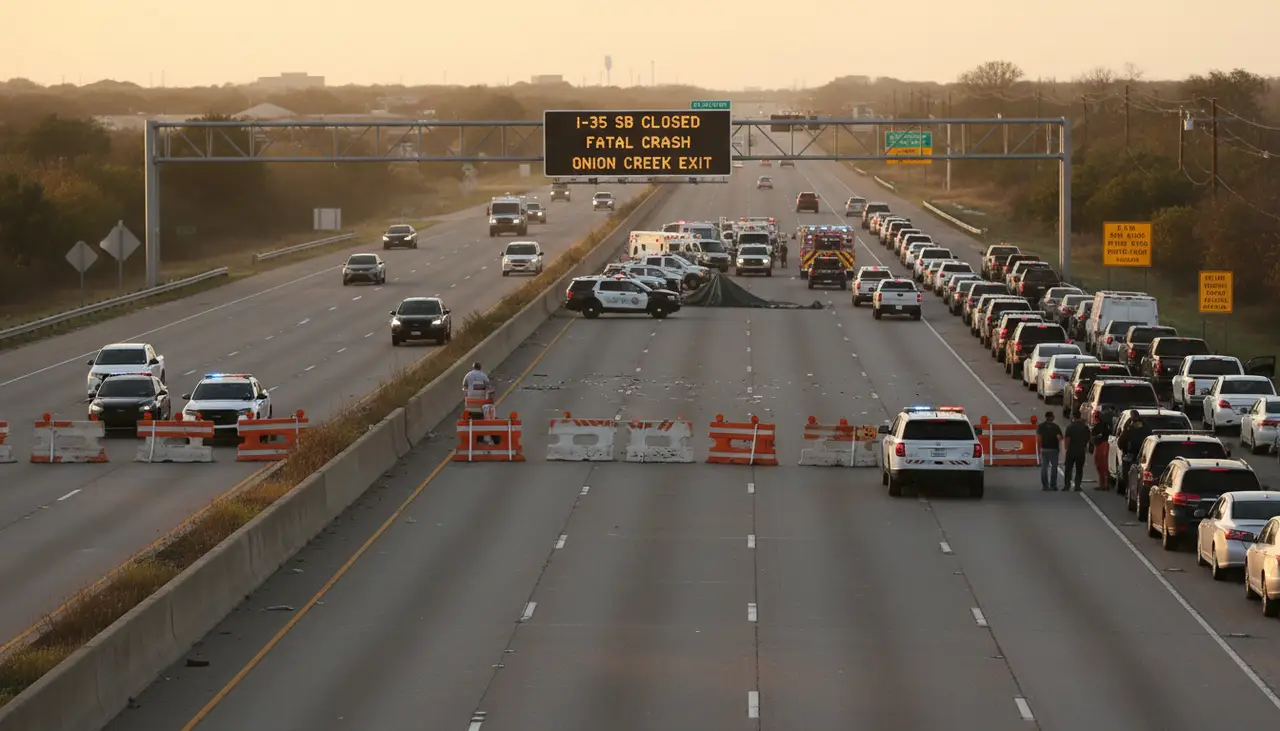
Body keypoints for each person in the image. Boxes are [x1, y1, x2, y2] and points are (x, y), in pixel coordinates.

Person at [462, 362, 496, 444]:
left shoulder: (468, 375)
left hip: (470, 403)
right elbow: (489, 389)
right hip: (481, 403)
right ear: (480, 368)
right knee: (481, 421)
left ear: (473, 367)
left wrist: (468, 395)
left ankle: (471, 439)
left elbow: (464, 387)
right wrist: (491, 400)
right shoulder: (484, 376)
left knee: (471, 420)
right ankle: (480, 439)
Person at [1062, 412, 1092, 492]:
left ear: (1073, 417)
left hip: (1071, 451)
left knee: (1068, 468)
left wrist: (1066, 449)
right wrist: (1086, 447)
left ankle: (1067, 485)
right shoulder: (1085, 427)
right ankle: (1077, 486)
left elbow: (1067, 439)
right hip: (1081, 451)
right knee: (1079, 469)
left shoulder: (1070, 427)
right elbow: (1088, 439)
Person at [1036, 411, 1063, 491]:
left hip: (1044, 449)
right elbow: (1060, 438)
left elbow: (1038, 439)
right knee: (1054, 468)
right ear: (1051, 417)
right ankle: (1053, 485)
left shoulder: (1041, 426)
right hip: (1054, 449)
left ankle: (1045, 486)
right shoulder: (1056, 427)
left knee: (1044, 467)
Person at [1091, 408, 1114, 490]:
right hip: (1099, 445)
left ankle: (1105, 484)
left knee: (1103, 465)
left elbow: (1100, 435)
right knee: (1099, 465)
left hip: (1103, 444)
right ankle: (1102, 484)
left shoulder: (1104, 426)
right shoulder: (1098, 425)